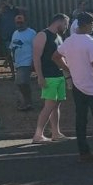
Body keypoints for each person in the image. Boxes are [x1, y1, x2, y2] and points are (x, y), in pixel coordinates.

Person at [55, 12, 93, 164]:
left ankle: (84, 152)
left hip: (77, 85)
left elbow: (55, 56)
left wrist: (68, 68)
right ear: (87, 25)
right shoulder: (91, 42)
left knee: (81, 119)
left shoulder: (69, 41)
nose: (92, 27)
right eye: (92, 25)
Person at [31, 13, 71, 144]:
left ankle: (56, 132)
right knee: (49, 105)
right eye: (66, 24)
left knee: (56, 105)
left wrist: (68, 73)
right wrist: (40, 76)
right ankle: (38, 135)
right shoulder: (43, 35)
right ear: (59, 22)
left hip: (59, 75)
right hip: (48, 76)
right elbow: (36, 57)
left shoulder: (59, 38)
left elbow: (62, 57)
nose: (66, 27)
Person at [0, 0, 26, 77]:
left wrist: (11, 6)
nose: (4, 6)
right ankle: (13, 74)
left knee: (17, 53)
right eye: (2, 4)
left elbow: (24, 9)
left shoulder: (13, 10)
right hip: (6, 36)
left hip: (16, 35)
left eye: (5, 4)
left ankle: (17, 71)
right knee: (10, 53)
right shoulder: (0, 12)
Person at [8, 14, 37, 111]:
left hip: (27, 61)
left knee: (21, 82)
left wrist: (34, 60)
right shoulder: (15, 33)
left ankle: (25, 102)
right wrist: (8, 59)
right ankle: (27, 102)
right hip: (18, 62)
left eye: (21, 22)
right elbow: (12, 47)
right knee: (23, 83)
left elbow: (36, 48)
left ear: (25, 22)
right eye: (17, 22)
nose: (19, 24)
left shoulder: (31, 33)